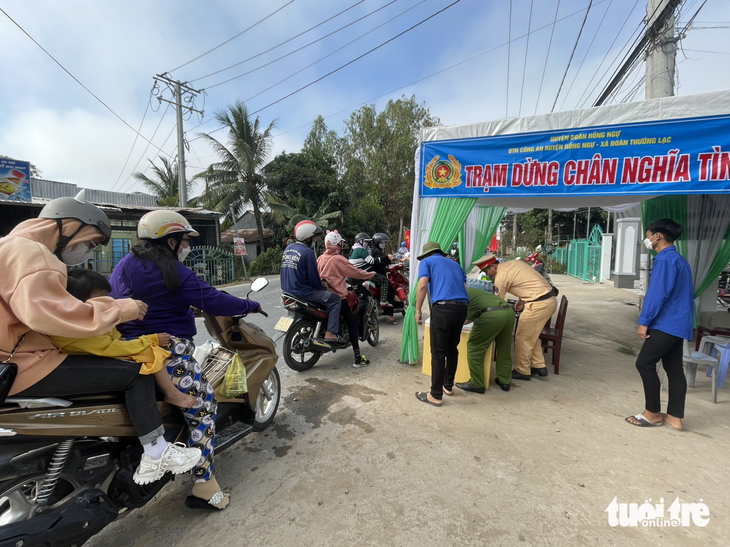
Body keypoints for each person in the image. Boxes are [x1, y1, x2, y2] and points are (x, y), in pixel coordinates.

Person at [0, 192, 200, 487]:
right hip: (25, 365)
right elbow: (51, 315)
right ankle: (157, 452)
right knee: (136, 373)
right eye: (90, 243)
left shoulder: (8, 246)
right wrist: (120, 309)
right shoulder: (35, 255)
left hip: (16, 361)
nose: (88, 253)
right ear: (69, 225)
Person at [110, 210, 260, 511]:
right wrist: (251, 303)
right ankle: (205, 484)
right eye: (183, 240)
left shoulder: (126, 264)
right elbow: (213, 299)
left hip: (128, 347)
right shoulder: (170, 270)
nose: (186, 245)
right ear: (171, 240)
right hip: (168, 350)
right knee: (204, 407)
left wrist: (181, 310)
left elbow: (143, 302)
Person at [51, 269, 198, 409]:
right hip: (92, 356)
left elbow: (113, 338)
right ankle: (171, 395)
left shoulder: (87, 320)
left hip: (101, 350)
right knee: (150, 353)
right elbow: (110, 346)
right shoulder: (79, 330)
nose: (109, 301)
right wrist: (149, 340)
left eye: (108, 297)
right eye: (101, 299)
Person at [626, 218, 694, 431]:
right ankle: (675, 417)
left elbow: (657, 295)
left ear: (658, 236)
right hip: (679, 323)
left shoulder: (665, 260)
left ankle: (653, 412)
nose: (647, 240)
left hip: (666, 322)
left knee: (644, 363)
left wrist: (644, 321)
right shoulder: (680, 260)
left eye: (648, 236)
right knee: (674, 368)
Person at [474, 253, 557, 381]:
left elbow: (496, 301)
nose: (486, 274)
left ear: (492, 267)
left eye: (486, 270)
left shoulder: (501, 276)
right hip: (548, 300)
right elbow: (526, 282)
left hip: (538, 305)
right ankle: (539, 366)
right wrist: (522, 299)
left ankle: (523, 370)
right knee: (531, 335)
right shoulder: (514, 263)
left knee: (522, 336)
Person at [414, 241, 469, 407]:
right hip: (462, 308)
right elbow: (465, 288)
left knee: (438, 352)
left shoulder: (427, 262)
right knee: (452, 349)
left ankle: (435, 395)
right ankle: (448, 386)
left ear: (427, 255)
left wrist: (418, 310)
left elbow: (422, 285)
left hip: (443, 309)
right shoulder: (456, 264)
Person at [317, 230, 376, 368]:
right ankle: (357, 358)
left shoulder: (320, 258)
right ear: (337, 244)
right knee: (352, 323)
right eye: (341, 242)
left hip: (322, 296)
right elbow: (355, 272)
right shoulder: (338, 259)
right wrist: (370, 275)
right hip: (337, 296)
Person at [281, 220, 342, 348]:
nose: (315, 239)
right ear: (307, 237)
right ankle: (331, 333)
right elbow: (314, 279)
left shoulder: (288, 249)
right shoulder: (308, 252)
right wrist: (323, 288)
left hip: (287, 292)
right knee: (335, 299)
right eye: (314, 237)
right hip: (303, 293)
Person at [456, 287, 516, 393]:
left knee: (475, 347)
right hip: (509, 312)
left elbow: (465, 319)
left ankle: (477, 383)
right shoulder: (472, 291)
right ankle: (505, 381)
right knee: (504, 347)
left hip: (491, 316)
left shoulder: (459, 295)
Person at [349, 232, 391, 311]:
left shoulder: (353, 249)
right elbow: (372, 261)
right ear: (360, 241)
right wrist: (386, 257)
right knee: (384, 280)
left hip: (355, 274)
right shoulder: (361, 250)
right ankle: (383, 301)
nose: (367, 244)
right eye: (366, 242)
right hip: (363, 274)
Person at [371, 232, 397, 325]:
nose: (383, 244)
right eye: (382, 242)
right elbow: (379, 262)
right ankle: (390, 316)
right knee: (391, 292)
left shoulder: (374, 250)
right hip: (378, 275)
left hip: (373, 275)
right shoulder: (377, 251)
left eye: (384, 242)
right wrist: (388, 259)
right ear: (377, 242)